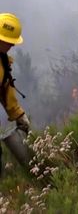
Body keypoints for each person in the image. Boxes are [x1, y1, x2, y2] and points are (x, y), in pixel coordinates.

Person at [0, 13, 31, 171]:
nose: (12, 46)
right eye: (10, 42)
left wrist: (19, 116)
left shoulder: (3, 61)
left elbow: (5, 91)